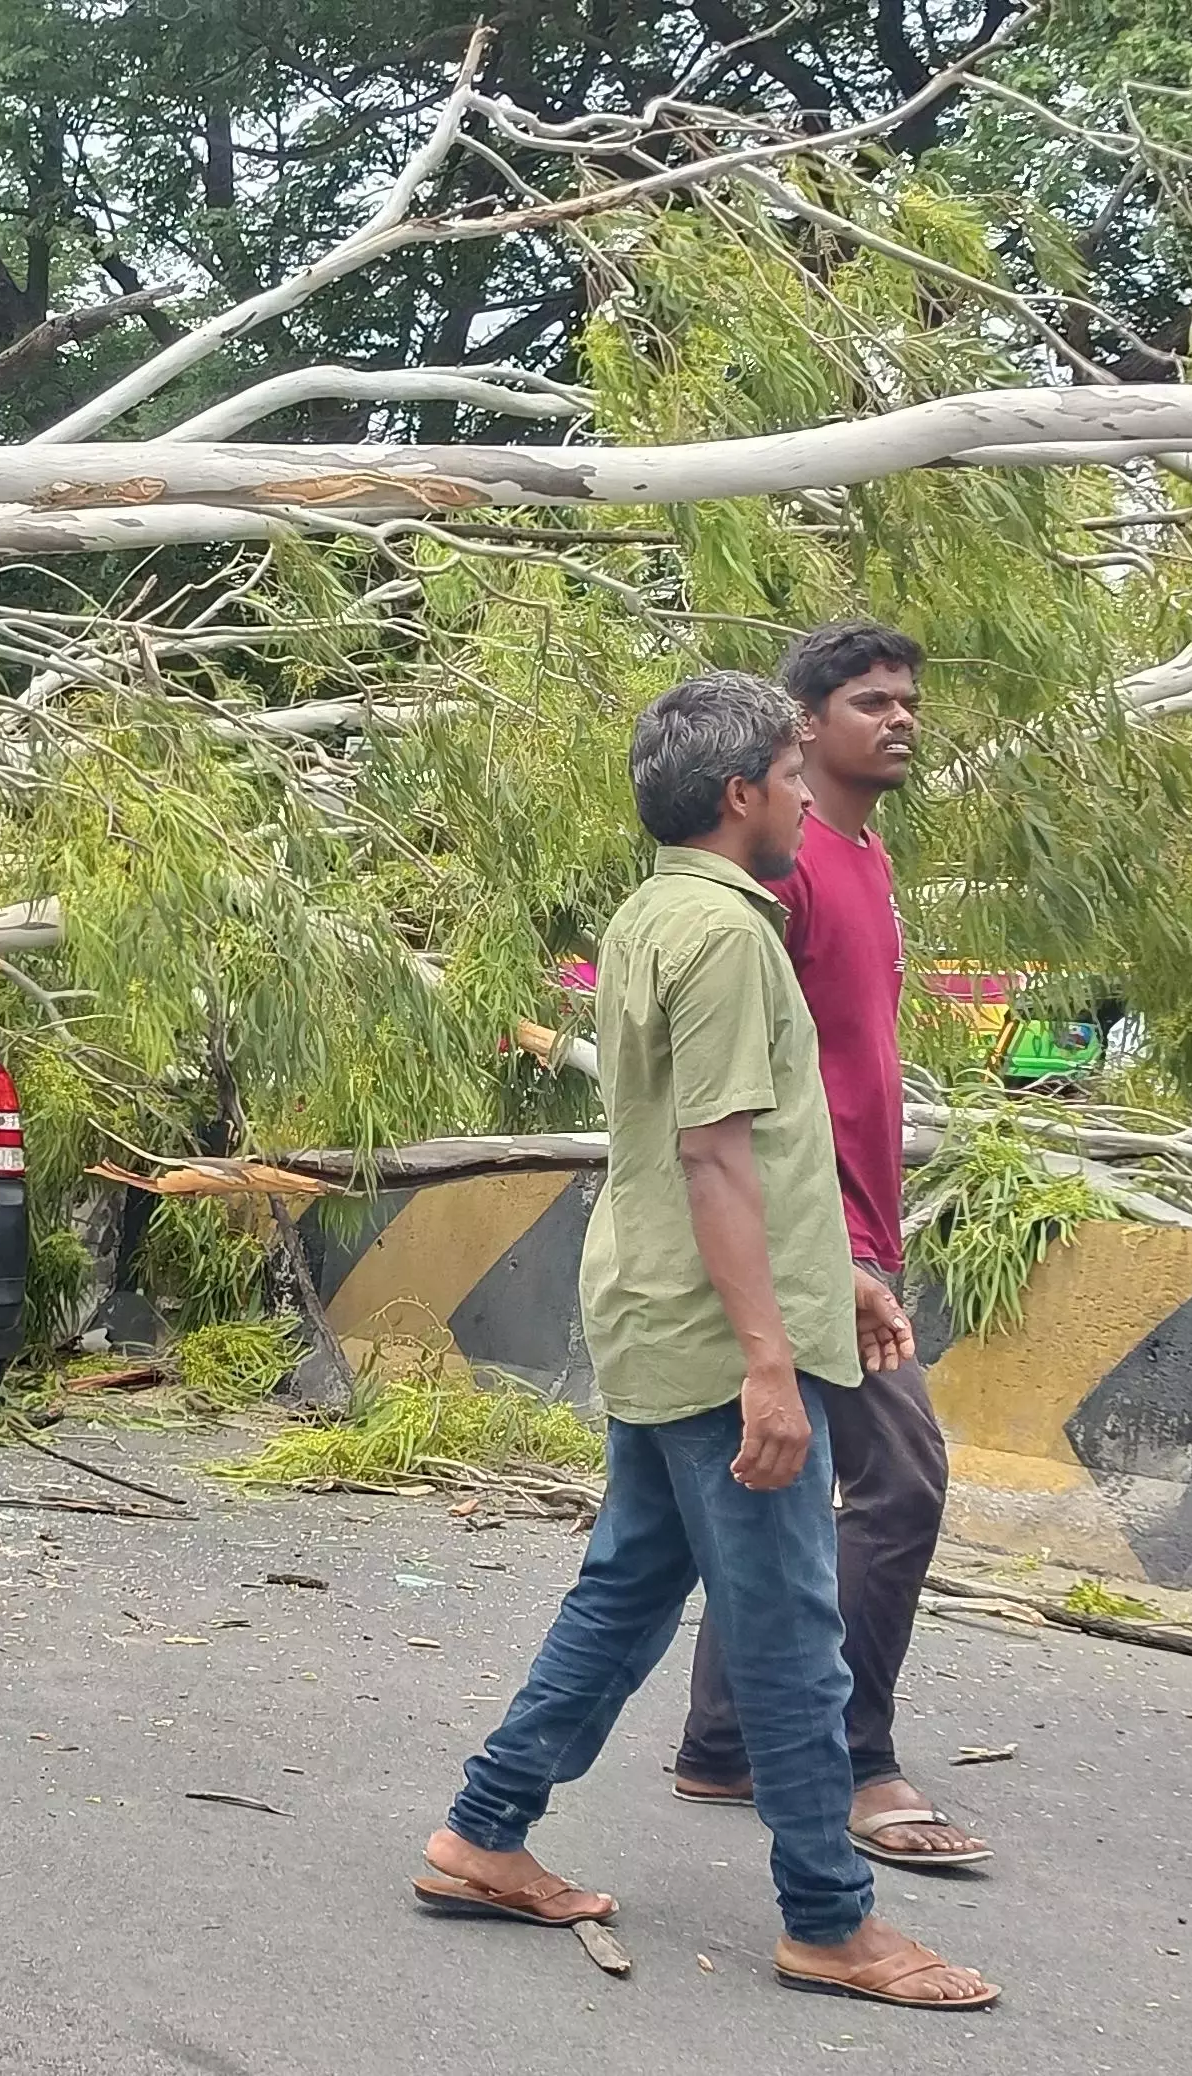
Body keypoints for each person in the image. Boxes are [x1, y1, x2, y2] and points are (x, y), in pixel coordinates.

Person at [410, 671, 994, 2012]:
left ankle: (482, 1834)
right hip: (714, 1337)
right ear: (742, 794)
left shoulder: (659, 914)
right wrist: (770, 1363)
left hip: (667, 1306)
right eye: (791, 778)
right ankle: (830, 1924)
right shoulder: (732, 936)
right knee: (788, 1625)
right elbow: (716, 1154)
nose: (805, 797)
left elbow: (747, 1157)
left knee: (625, 1589)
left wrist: (832, 1273)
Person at [670, 621, 985, 1869]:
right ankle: (852, 1757)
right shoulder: (782, 877)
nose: (901, 719)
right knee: (901, 1481)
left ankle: (722, 1741)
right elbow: (745, 1101)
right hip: (816, 1237)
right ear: (801, 726)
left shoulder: (866, 856)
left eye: (909, 700)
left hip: (858, 1224)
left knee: (765, 1486)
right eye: (871, 702)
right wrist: (834, 1252)